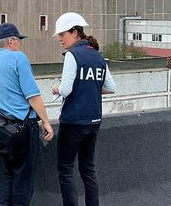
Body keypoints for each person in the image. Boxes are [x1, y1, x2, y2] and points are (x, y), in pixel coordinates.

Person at [0, 22, 54, 206]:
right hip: (23, 129)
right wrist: (46, 122)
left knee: (9, 176)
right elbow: (33, 96)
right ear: (11, 42)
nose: (21, 44)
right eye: (19, 40)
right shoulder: (18, 58)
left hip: (1, 132)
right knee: (23, 180)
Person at [50, 12, 116, 206]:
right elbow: (111, 88)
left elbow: (66, 89)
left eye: (63, 34)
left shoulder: (72, 55)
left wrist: (56, 88)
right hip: (94, 120)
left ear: (75, 32)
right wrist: (90, 89)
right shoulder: (97, 56)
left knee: (66, 170)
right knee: (88, 169)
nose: (61, 39)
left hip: (73, 122)